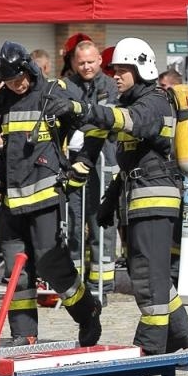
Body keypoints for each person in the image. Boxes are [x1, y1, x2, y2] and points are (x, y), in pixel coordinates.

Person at [55, 37, 188, 355]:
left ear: (141, 69)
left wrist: (83, 108)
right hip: (138, 198)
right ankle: (179, 334)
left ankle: (151, 348)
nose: (115, 76)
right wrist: (108, 201)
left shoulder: (154, 102)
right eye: (114, 70)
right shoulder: (133, 102)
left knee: (148, 276)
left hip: (155, 199)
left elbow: (128, 122)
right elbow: (127, 160)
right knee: (144, 271)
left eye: (122, 70)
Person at [0, 42, 102, 347]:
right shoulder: (1, 100)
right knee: (17, 271)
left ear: (28, 68)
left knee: (52, 265)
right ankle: (23, 334)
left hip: (46, 197)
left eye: (19, 79)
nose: (16, 85)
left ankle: (87, 311)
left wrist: (82, 164)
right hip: (10, 200)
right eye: (9, 81)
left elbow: (95, 124)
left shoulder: (55, 92)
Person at [62, 38, 120, 291]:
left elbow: (107, 119)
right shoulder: (66, 86)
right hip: (73, 164)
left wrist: (80, 125)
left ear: (99, 60)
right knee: (73, 223)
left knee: (101, 224)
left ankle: (101, 285)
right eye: (81, 62)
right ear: (74, 62)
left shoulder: (111, 85)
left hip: (103, 164)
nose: (86, 67)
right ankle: (73, 287)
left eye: (90, 62)